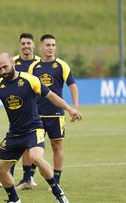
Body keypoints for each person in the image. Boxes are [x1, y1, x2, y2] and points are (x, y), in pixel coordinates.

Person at [0, 53, 82, 203]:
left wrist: (69, 108)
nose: (3, 71)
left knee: (36, 157)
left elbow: (51, 96)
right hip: (14, 134)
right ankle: (14, 199)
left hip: (34, 129)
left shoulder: (29, 80)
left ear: (13, 63)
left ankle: (58, 192)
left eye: (5, 67)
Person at [28, 34, 79, 189]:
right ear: (41, 47)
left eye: (53, 45)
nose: (51, 48)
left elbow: (72, 85)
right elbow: (28, 88)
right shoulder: (34, 67)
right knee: (34, 147)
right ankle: (29, 178)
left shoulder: (62, 65)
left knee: (57, 146)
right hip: (37, 115)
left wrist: (74, 108)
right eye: (48, 45)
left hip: (56, 114)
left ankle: (55, 180)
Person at [2, 33, 41, 189]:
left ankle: (28, 177)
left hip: (38, 109)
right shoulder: (13, 63)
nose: (26, 46)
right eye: (23, 43)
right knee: (17, 143)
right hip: (18, 110)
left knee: (34, 147)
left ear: (33, 45)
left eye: (28, 43)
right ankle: (9, 176)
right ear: (20, 45)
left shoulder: (39, 63)